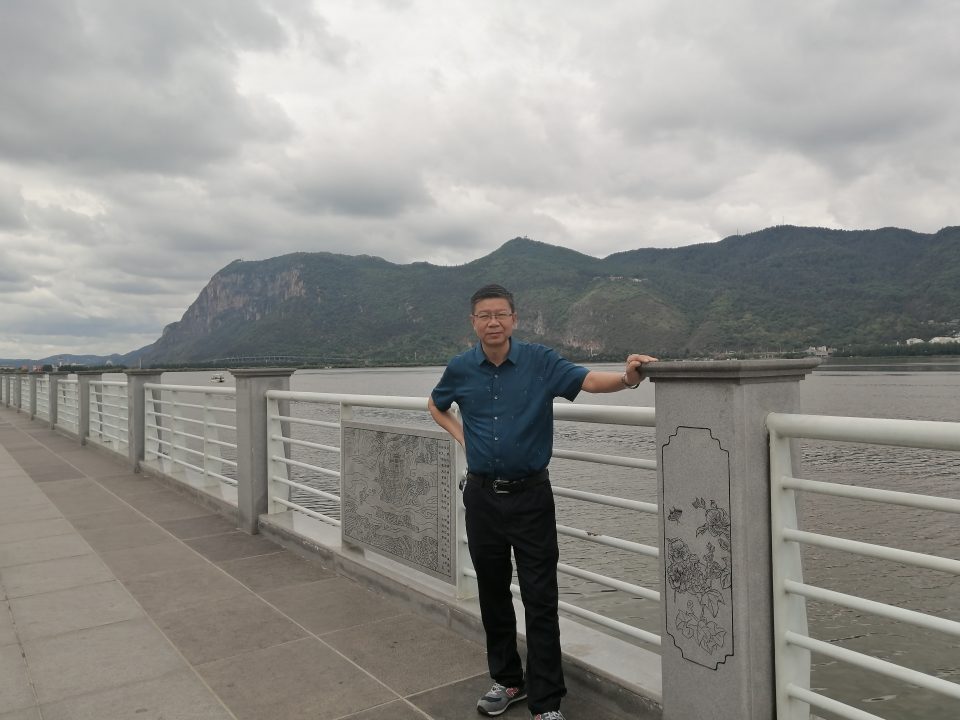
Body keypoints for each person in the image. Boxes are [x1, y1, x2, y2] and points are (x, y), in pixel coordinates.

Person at [428, 283, 656, 720]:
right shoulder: (460, 368)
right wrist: (464, 439)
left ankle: (546, 702)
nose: (493, 322)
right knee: (492, 593)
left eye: (501, 314)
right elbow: (436, 405)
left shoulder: (541, 361)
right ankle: (507, 680)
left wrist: (629, 378)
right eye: (484, 316)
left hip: (531, 496)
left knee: (540, 597)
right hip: (481, 497)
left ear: (514, 319)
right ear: (473, 323)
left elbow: (589, 381)